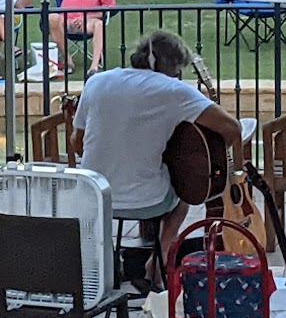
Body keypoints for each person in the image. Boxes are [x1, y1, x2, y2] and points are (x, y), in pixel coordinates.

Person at [68, 30, 244, 281]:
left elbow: (78, 143)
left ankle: (101, 267)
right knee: (185, 195)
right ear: (171, 66)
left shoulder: (96, 82)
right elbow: (233, 128)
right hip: (146, 200)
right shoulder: (174, 90)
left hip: (93, 196)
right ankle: (158, 260)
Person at [56, 0, 114, 74]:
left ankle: (94, 67)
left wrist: (86, 17)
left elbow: (108, 11)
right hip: (65, 19)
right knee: (52, 19)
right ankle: (68, 61)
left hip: (87, 22)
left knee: (99, 24)